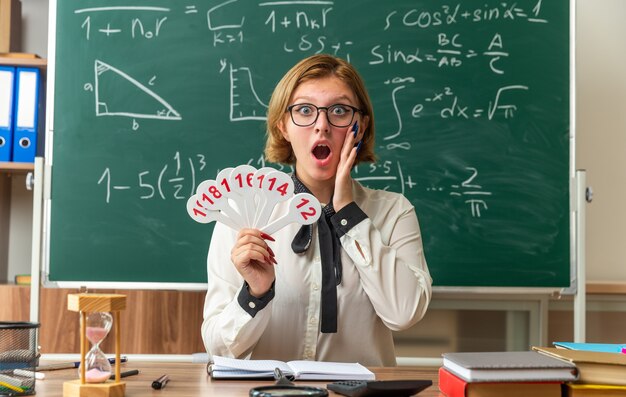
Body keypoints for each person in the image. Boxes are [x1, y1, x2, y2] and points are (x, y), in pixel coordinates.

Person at [201, 54, 431, 366]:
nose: (321, 126)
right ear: (283, 126)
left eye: (339, 110)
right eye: (305, 110)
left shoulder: (394, 212)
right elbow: (218, 349)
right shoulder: (244, 213)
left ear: (359, 127)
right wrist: (255, 293)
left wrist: (349, 214)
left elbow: (404, 314)